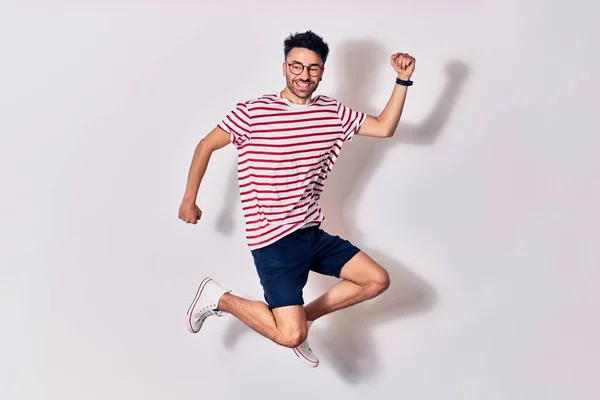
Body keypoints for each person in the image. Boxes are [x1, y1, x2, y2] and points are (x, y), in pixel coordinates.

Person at [178, 30, 415, 368]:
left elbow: (383, 127)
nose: (304, 75)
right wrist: (190, 199)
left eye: (313, 68)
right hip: (273, 240)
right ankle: (220, 298)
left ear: (322, 71)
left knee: (376, 280)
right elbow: (206, 146)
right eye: (297, 67)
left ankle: (302, 320)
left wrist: (402, 80)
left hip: (310, 232)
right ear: (284, 68)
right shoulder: (253, 112)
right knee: (289, 336)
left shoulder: (332, 114)